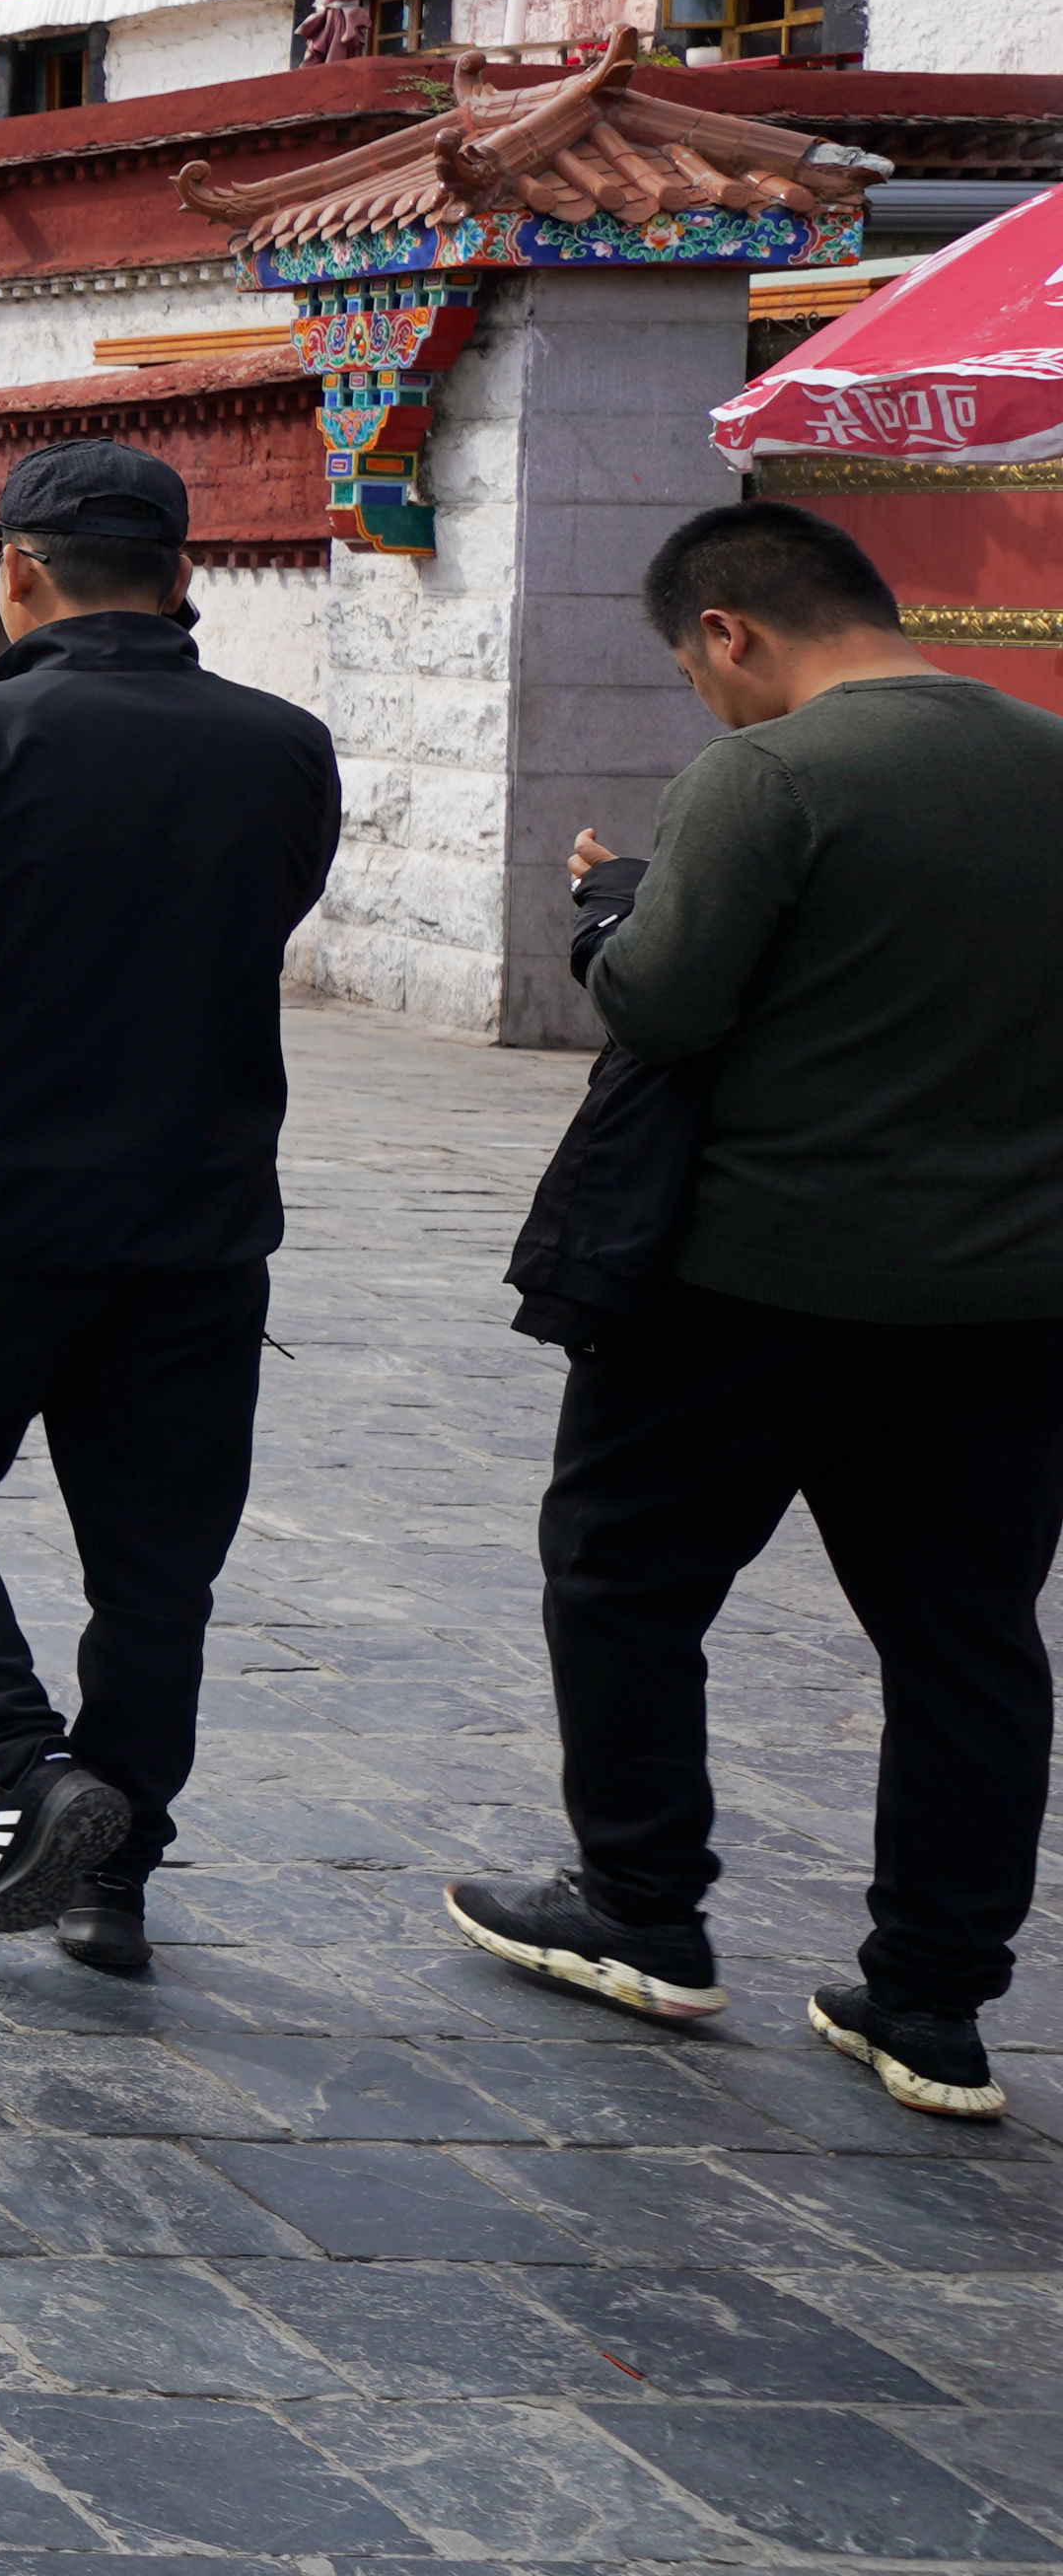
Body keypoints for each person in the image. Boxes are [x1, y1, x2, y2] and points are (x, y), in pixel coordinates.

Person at [444, 501, 1063, 2118]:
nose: (699, 701)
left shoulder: (770, 775)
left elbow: (664, 995)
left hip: (752, 1278)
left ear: (731, 629)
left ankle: (644, 1906)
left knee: (628, 1571)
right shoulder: (1046, 757)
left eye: (686, 668)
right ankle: (932, 2003)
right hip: (1010, 1296)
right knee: (966, 1643)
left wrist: (611, 915)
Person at [0, 441, 337, 1977]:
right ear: (183, 578)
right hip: (202, 1213)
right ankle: (120, 1880)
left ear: (13, 573)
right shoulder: (284, 746)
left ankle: (32, 1770)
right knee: (158, 1563)